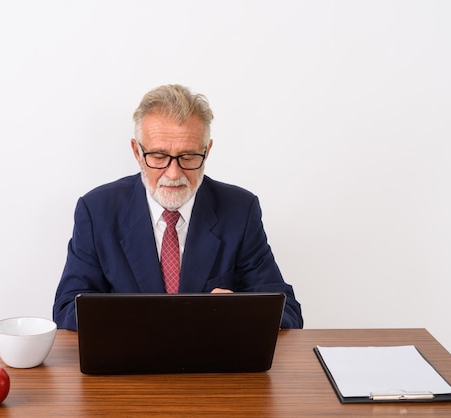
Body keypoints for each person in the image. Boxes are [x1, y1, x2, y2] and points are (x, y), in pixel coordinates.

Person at [53, 84, 303, 330]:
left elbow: (288, 312)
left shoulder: (240, 210)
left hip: (211, 366)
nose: (173, 174)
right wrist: (134, 318)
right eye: (159, 157)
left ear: (207, 150)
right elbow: (66, 309)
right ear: (137, 152)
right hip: (129, 363)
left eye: (188, 157)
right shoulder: (97, 211)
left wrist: (239, 310)